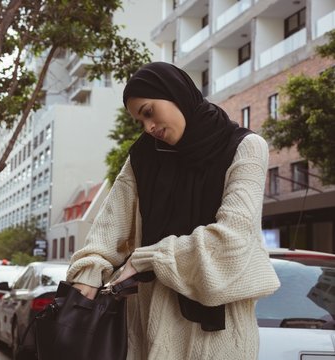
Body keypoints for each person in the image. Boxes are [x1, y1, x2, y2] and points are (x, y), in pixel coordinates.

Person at [67, 62, 280, 359]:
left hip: (218, 338)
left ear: (175, 93)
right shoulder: (142, 157)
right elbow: (107, 231)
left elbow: (233, 242)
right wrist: (88, 274)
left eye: (149, 112)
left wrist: (147, 259)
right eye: (140, 122)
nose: (148, 127)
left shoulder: (245, 147)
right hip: (149, 332)